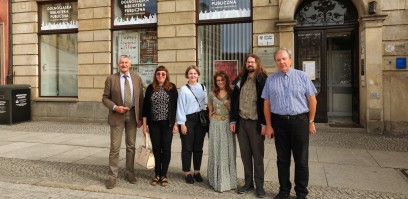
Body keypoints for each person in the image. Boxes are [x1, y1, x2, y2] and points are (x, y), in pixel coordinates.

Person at [262, 48, 317, 199]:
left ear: (290, 60)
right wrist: (268, 125)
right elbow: (266, 104)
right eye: (279, 60)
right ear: (276, 62)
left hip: (299, 121)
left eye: (284, 59)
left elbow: (312, 100)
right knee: (282, 160)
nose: (282, 62)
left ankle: (301, 192)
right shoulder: (271, 80)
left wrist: (311, 121)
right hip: (279, 123)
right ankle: (284, 190)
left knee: (301, 160)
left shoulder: (302, 76)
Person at [102, 55, 144, 189]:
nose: (124, 65)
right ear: (118, 65)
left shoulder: (137, 78)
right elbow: (105, 98)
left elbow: (141, 99)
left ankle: (129, 173)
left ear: (130, 64)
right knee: (115, 148)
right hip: (117, 115)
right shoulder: (111, 79)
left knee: (131, 146)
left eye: (126, 62)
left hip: (132, 115)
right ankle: (112, 176)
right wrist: (115, 107)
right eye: (121, 63)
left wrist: (141, 117)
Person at [230, 54, 268, 198]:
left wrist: (265, 123)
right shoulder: (240, 80)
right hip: (241, 123)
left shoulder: (263, 80)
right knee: (245, 156)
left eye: (252, 62)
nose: (250, 64)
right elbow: (234, 101)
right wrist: (233, 120)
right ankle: (248, 183)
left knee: (258, 156)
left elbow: (266, 103)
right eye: (248, 62)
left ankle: (259, 186)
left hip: (256, 123)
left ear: (257, 63)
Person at [142, 66, 178, 187]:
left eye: (163, 74)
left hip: (168, 124)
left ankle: (164, 175)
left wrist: (176, 124)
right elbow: (145, 108)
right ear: (155, 75)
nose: (161, 76)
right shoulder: (150, 88)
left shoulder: (172, 88)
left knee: (166, 149)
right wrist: (144, 126)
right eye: (158, 74)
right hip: (154, 125)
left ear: (166, 75)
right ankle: (157, 174)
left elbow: (176, 107)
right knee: (156, 150)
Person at [176, 65, 208, 184]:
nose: (193, 75)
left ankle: (197, 171)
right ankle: (187, 172)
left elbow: (206, 103)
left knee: (198, 147)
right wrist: (182, 123)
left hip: (200, 119)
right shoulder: (183, 89)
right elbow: (180, 107)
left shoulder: (203, 87)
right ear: (187, 75)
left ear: (198, 75)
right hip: (188, 120)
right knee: (187, 147)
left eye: (195, 73)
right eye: (190, 73)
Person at [207, 71, 237, 192]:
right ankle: (215, 179)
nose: (220, 82)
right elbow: (210, 111)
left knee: (227, 151)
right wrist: (212, 125)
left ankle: (228, 181)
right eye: (218, 80)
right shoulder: (212, 94)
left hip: (227, 125)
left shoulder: (232, 93)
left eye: (222, 80)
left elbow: (234, 110)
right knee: (216, 150)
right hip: (215, 124)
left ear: (226, 81)